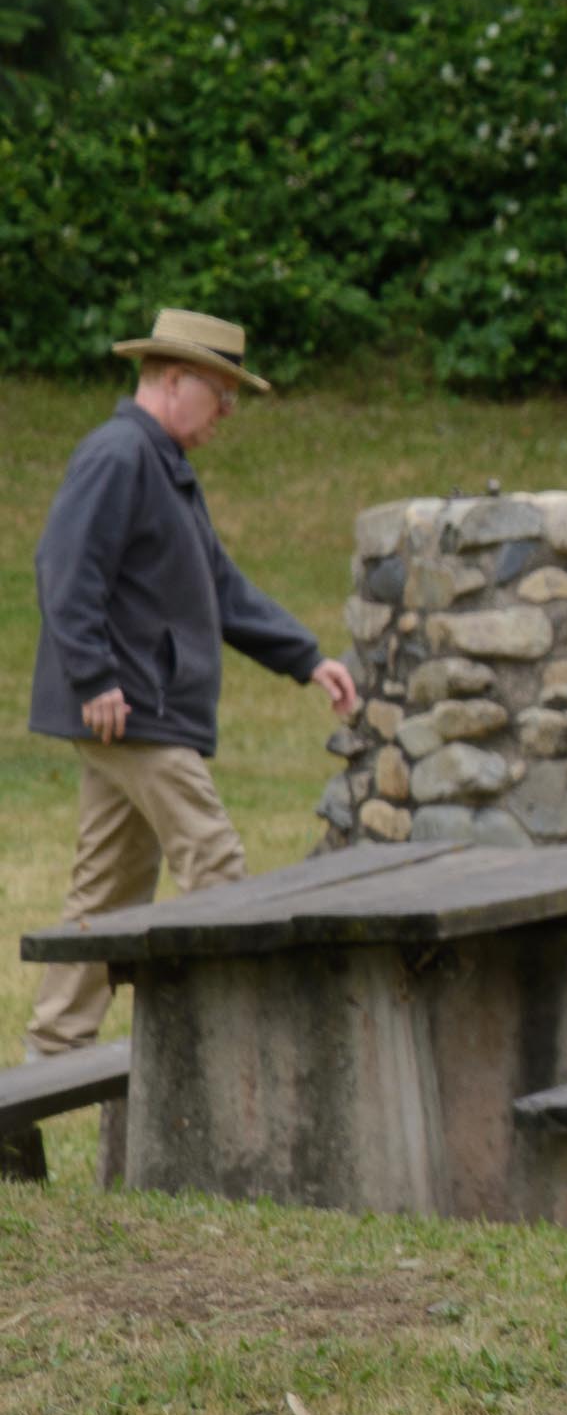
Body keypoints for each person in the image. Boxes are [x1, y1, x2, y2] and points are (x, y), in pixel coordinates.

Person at [25, 310, 361, 1061]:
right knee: (215, 863)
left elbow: (221, 587)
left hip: (139, 710)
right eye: (222, 393)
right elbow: (64, 568)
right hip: (130, 712)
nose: (228, 412)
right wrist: (95, 676)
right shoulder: (119, 455)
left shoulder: (163, 466)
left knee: (106, 892)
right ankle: (246, 1049)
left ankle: (41, 1070)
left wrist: (307, 658)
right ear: (175, 380)